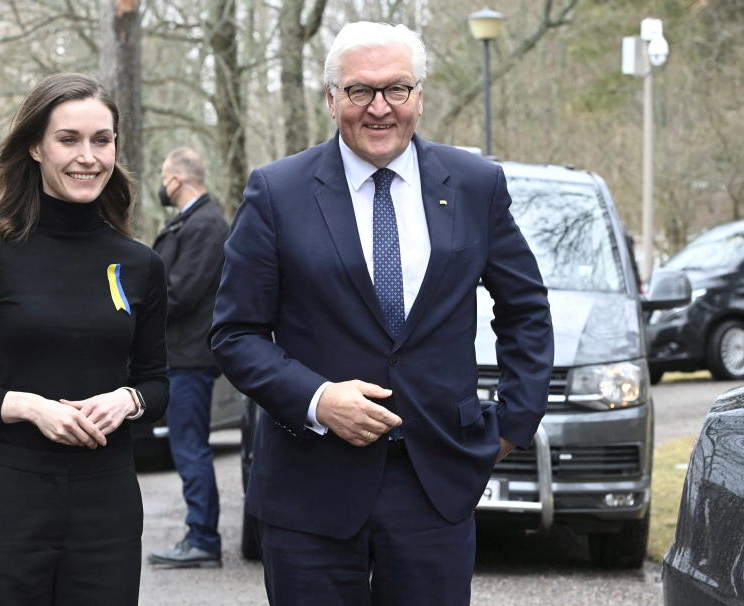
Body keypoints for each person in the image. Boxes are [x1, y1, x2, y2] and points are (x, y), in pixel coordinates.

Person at [209, 21, 554, 606]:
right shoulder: (277, 191)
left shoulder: (475, 185)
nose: (379, 108)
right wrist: (318, 399)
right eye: (359, 91)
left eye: (396, 89)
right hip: (309, 489)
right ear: (331, 98)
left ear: (420, 96)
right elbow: (236, 333)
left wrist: (512, 425)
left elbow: (525, 310)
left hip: (436, 484)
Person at [0, 73, 168, 606]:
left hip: (107, 506)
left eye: (102, 140)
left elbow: (157, 382)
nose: (88, 156)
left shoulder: (140, 264)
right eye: (68, 139)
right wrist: (28, 407)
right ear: (35, 146)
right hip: (10, 500)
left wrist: (128, 400)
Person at [148, 148, 229, 568]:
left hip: (191, 357)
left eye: (164, 176)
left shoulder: (206, 225)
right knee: (186, 445)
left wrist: (139, 309)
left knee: (190, 447)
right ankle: (199, 535)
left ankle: (203, 539)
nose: (162, 184)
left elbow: (182, 291)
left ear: (178, 179)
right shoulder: (189, 222)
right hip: (178, 355)